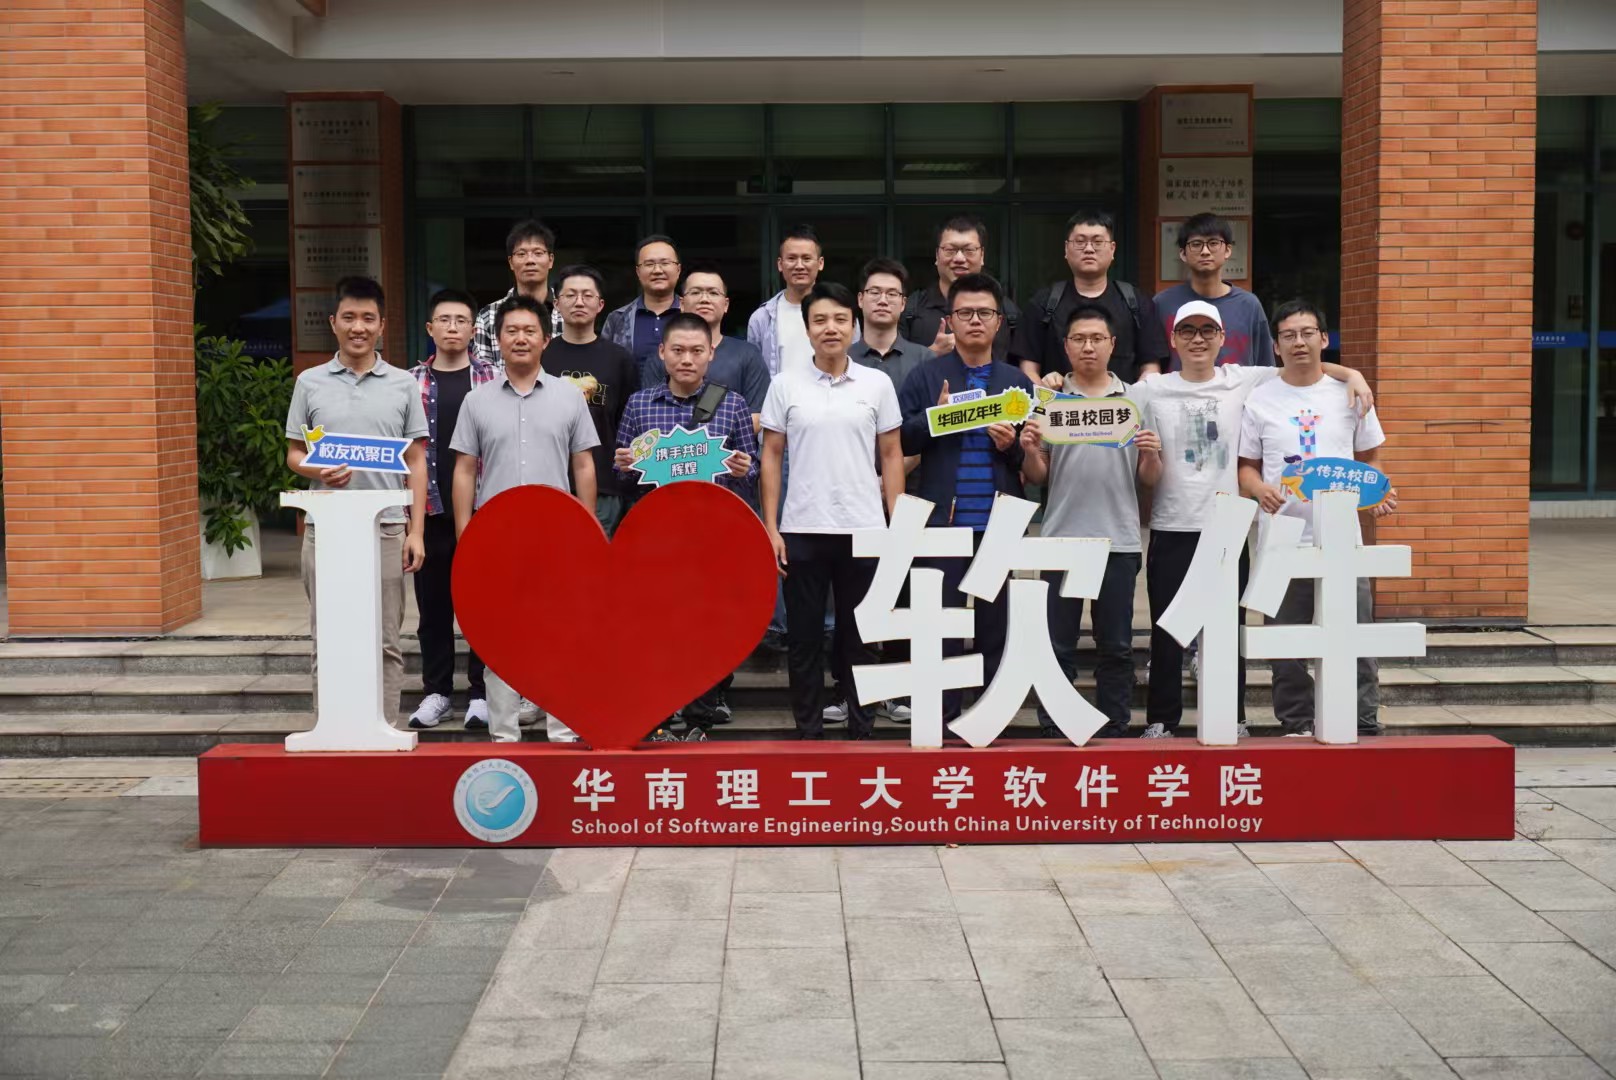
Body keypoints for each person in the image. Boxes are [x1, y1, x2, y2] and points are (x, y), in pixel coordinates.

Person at [1141, 300, 1373, 740]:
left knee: (1229, 628)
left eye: (1207, 331)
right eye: (1187, 331)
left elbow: (1305, 365)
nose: (1197, 339)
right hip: (1173, 522)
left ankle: (1234, 717)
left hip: (1228, 524)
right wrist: (1053, 384)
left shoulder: (1245, 379)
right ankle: (1161, 720)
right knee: (1167, 626)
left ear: (1222, 339)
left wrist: (1353, 374)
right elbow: (1106, 399)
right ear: (1173, 339)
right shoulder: (1153, 388)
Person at [1239, 300, 1394, 737]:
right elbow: (1247, 467)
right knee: (1285, 646)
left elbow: (1370, 459)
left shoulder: (1350, 394)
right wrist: (1258, 489)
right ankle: (1296, 723)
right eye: (1289, 335)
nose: (1299, 342)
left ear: (1324, 339)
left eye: (1308, 333)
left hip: (1342, 541)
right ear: (1276, 346)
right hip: (1282, 540)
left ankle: (1362, 721)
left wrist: (1376, 493)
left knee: (1355, 637)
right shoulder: (1260, 398)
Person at [451, 295, 599, 744]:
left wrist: (586, 528)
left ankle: (563, 729)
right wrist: (465, 534)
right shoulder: (476, 401)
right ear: (498, 340)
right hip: (495, 537)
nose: (520, 338)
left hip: (557, 535)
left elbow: (584, 465)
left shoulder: (569, 397)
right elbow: (464, 470)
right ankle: (504, 734)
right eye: (511, 331)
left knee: (561, 632)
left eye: (529, 331)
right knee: (500, 638)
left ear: (545, 339)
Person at [760, 283, 905, 740]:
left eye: (840, 319)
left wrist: (897, 523)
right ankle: (809, 732)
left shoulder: (877, 384)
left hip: (865, 528)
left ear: (853, 327)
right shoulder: (785, 384)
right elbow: (771, 456)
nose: (830, 328)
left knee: (860, 637)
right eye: (820, 320)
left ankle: (862, 730)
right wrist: (771, 527)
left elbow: (891, 455)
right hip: (802, 527)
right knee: (804, 638)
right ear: (806, 329)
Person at [284, 276, 427, 726]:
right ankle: (328, 728)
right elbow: (294, 454)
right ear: (333, 323)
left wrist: (416, 531)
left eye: (368, 318)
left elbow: (416, 461)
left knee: (385, 637)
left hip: (386, 527)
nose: (358, 327)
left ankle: (385, 728)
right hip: (326, 529)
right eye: (349, 317)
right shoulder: (309, 382)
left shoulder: (403, 384)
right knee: (328, 634)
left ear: (382, 325)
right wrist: (317, 471)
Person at [896, 272, 1036, 719]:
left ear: (999, 322)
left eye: (985, 313)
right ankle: (942, 719)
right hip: (944, 521)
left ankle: (990, 720)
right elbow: (902, 441)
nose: (975, 320)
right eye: (966, 313)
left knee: (996, 624)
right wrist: (935, 418)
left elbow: (1028, 459)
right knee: (943, 624)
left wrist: (1010, 446)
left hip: (998, 520)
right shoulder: (927, 375)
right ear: (950, 320)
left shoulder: (1016, 382)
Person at [614, 311, 759, 740]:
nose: (687, 359)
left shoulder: (731, 404)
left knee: (707, 628)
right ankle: (657, 715)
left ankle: (700, 717)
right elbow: (623, 477)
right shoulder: (640, 404)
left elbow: (750, 474)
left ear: (711, 354)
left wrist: (743, 468)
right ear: (662, 352)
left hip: (712, 537)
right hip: (654, 538)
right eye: (677, 350)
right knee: (653, 627)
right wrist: (624, 465)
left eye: (696, 351)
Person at [1018, 304, 1161, 738]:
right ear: (1065, 345)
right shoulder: (1051, 400)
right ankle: (1054, 725)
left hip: (1118, 540)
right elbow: (1037, 476)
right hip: (1061, 538)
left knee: (1116, 644)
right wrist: (1030, 450)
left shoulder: (1136, 399)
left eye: (1097, 338)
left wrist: (1151, 454)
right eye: (1079, 339)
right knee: (1058, 643)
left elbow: (1150, 478)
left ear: (1112, 344)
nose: (1088, 347)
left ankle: (1114, 726)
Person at [407, 288, 497, 732]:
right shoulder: (409, 382)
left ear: (473, 329)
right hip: (429, 511)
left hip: (483, 510)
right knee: (434, 609)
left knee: (483, 606)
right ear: (430, 328)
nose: (452, 328)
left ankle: (481, 693)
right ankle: (437, 692)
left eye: (461, 320)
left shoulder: (494, 378)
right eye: (444, 320)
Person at [1012, 209, 1170, 384]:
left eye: (1098, 242)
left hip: (1123, 401)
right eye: (1080, 242)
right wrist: (1046, 392)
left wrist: (1134, 397)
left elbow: (1151, 368)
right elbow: (1028, 369)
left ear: (1112, 249)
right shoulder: (1043, 304)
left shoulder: (1137, 302)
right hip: (1060, 401)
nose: (1089, 249)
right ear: (1066, 249)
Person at [544, 265, 639, 537]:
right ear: (556, 304)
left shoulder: (619, 359)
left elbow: (628, 426)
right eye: (570, 295)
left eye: (587, 295)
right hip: (550, 481)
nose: (579, 302)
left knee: (596, 557)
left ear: (600, 305)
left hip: (604, 485)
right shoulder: (541, 356)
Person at [645, 264, 772, 431]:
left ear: (726, 304)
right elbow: (649, 414)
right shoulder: (661, 358)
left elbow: (759, 416)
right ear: (681, 303)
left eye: (713, 293)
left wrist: (708, 442)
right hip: (670, 446)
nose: (704, 299)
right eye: (695, 292)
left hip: (730, 447)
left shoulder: (748, 355)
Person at [1155, 213, 1274, 370]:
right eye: (1196, 244)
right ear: (1183, 253)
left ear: (1228, 250)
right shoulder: (1163, 304)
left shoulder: (1249, 305)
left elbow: (1266, 367)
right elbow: (1152, 363)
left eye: (1213, 243)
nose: (1205, 251)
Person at [899, 215, 1021, 361]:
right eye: (950, 250)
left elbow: (1019, 370)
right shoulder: (910, 310)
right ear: (937, 255)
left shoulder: (1008, 312)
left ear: (982, 255)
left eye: (969, 250)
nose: (959, 259)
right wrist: (931, 353)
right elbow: (894, 369)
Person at [473, 219, 560, 365]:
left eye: (538, 253)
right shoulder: (488, 316)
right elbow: (482, 373)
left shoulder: (568, 312)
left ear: (550, 260)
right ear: (511, 262)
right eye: (521, 254)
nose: (530, 260)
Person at [748, 225, 822, 378]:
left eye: (806, 258)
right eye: (792, 258)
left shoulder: (842, 313)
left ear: (820, 263)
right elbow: (754, 375)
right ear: (780, 264)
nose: (799, 266)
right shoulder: (762, 318)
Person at [852, 257, 932, 398]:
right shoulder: (843, 358)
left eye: (892, 294)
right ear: (860, 299)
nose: (883, 301)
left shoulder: (924, 359)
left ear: (903, 303)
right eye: (875, 292)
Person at [602, 235, 681, 367]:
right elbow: (606, 369)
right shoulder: (618, 319)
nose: (657, 270)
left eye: (665, 263)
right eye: (649, 264)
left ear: (678, 269)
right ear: (638, 272)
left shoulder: (695, 314)